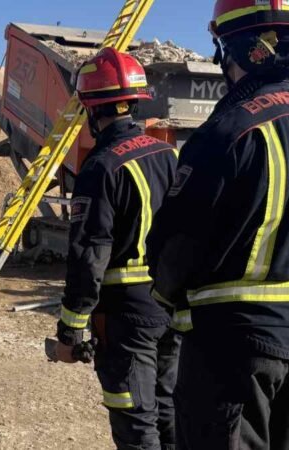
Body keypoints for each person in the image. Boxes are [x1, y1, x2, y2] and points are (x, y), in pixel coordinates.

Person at [146, 1, 289, 448]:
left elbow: (175, 243)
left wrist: (166, 298)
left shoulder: (227, 131)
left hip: (230, 344)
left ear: (230, 49)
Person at [53, 48, 181, 450]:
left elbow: (90, 254)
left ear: (92, 109)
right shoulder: (169, 155)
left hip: (126, 316)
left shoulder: (101, 166)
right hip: (171, 306)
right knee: (168, 410)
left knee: (135, 420)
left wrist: (70, 330)